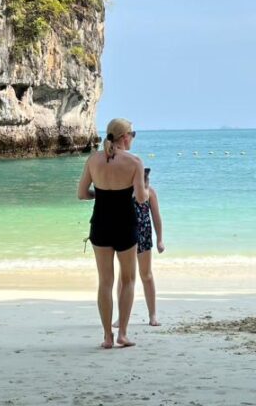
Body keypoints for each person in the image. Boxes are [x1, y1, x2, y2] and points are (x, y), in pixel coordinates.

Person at [78, 118, 148, 349]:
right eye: (133, 134)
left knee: (105, 282)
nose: (133, 138)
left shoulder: (93, 159)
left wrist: (100, 195)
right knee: (128, 280)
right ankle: (123, 334)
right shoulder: (134, 162)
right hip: (125, 225)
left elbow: (81, 194)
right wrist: (145, 193)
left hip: (100, 224)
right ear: (125, 136)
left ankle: (107, 336)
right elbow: (140, 198)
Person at [114, 167, 165, 327]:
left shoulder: (150, 193)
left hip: (144, 236)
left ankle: (152, 315)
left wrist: (160, 240)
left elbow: (156, 217)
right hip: (125, 237)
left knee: (146, 275)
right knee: (124, 277)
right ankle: (120, 316)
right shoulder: (123, 192)